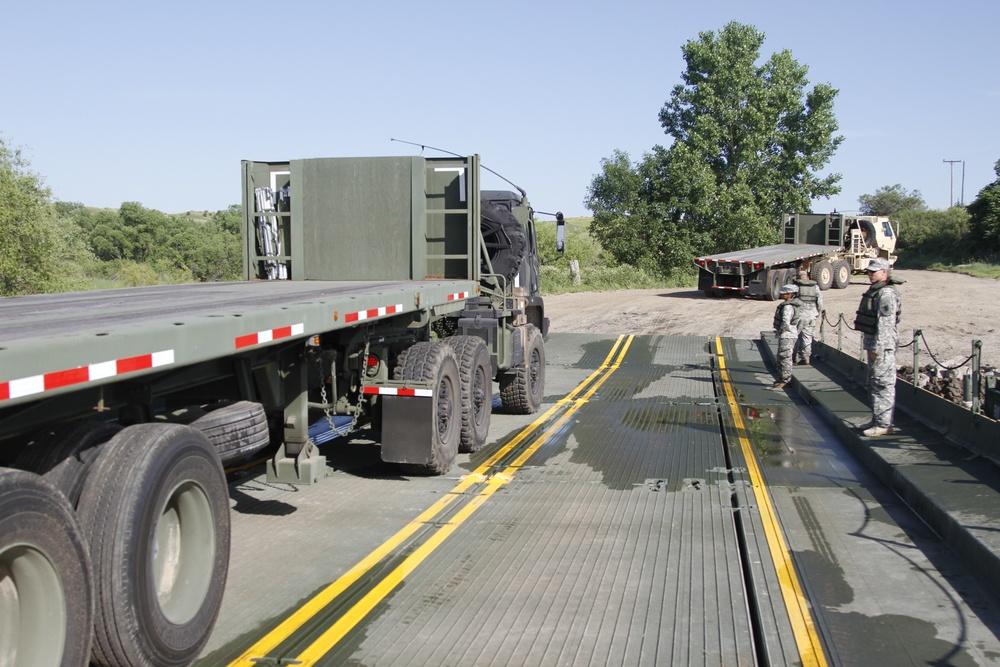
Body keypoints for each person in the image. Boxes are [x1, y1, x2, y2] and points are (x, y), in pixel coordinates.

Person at [853, 258, 902, 436]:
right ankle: (877, 420)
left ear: (885, 272)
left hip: (883, 347)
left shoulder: (886, 293)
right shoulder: (877, 291)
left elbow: (886, 324)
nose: (870, 274)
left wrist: (878, 349)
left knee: (883, 384)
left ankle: (883, 424)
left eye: (874, 271)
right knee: (873, 383)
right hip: (875, 345)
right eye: (869, 271)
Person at [771, 283, 800, 388]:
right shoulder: (792, 305)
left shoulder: (788, 307)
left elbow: (785, 321)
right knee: (782, 357)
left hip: (787, 335)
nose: (783, 295)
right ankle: (782, 378)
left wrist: (781, 331)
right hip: (791, 334)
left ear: (790, 294)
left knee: (785, 357)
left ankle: (785, 380)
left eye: (785, 293)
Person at [794, 270, 824, 365]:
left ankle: (793, 356)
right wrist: (818, 313)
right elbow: (819, 302)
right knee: (807, 337)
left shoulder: (796, 287)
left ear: (799, 278)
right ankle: (806, 357)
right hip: (811, 316)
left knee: (795, 336)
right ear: (807, 277)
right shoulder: (815, 287)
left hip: (799, 316)